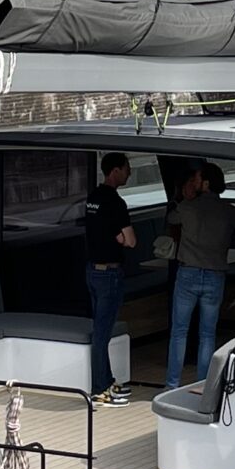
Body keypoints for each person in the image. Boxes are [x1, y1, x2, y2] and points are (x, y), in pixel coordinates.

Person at [165, 162, 235, 390]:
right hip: (215, 275)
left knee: (179, 331)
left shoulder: (188, 207)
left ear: (205, 183)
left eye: (198, 178)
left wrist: (184, 197)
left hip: (188, 273)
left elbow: (171, 219)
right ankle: (204, 385)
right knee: (207, 334)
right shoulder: (228, 211)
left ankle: (172, 385)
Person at [82, 153, 136, 405]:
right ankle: (99, 389)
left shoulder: (92, 198)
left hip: (92, 271)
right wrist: (120, 238)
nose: (129, 173)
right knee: (102, 334)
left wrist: (118, 236)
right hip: (110, 275)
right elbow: (131, 241)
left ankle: (108, 380)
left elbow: (104, 231)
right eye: (127, 168)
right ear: (115, 171)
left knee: (100, 331)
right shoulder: (115, 202)